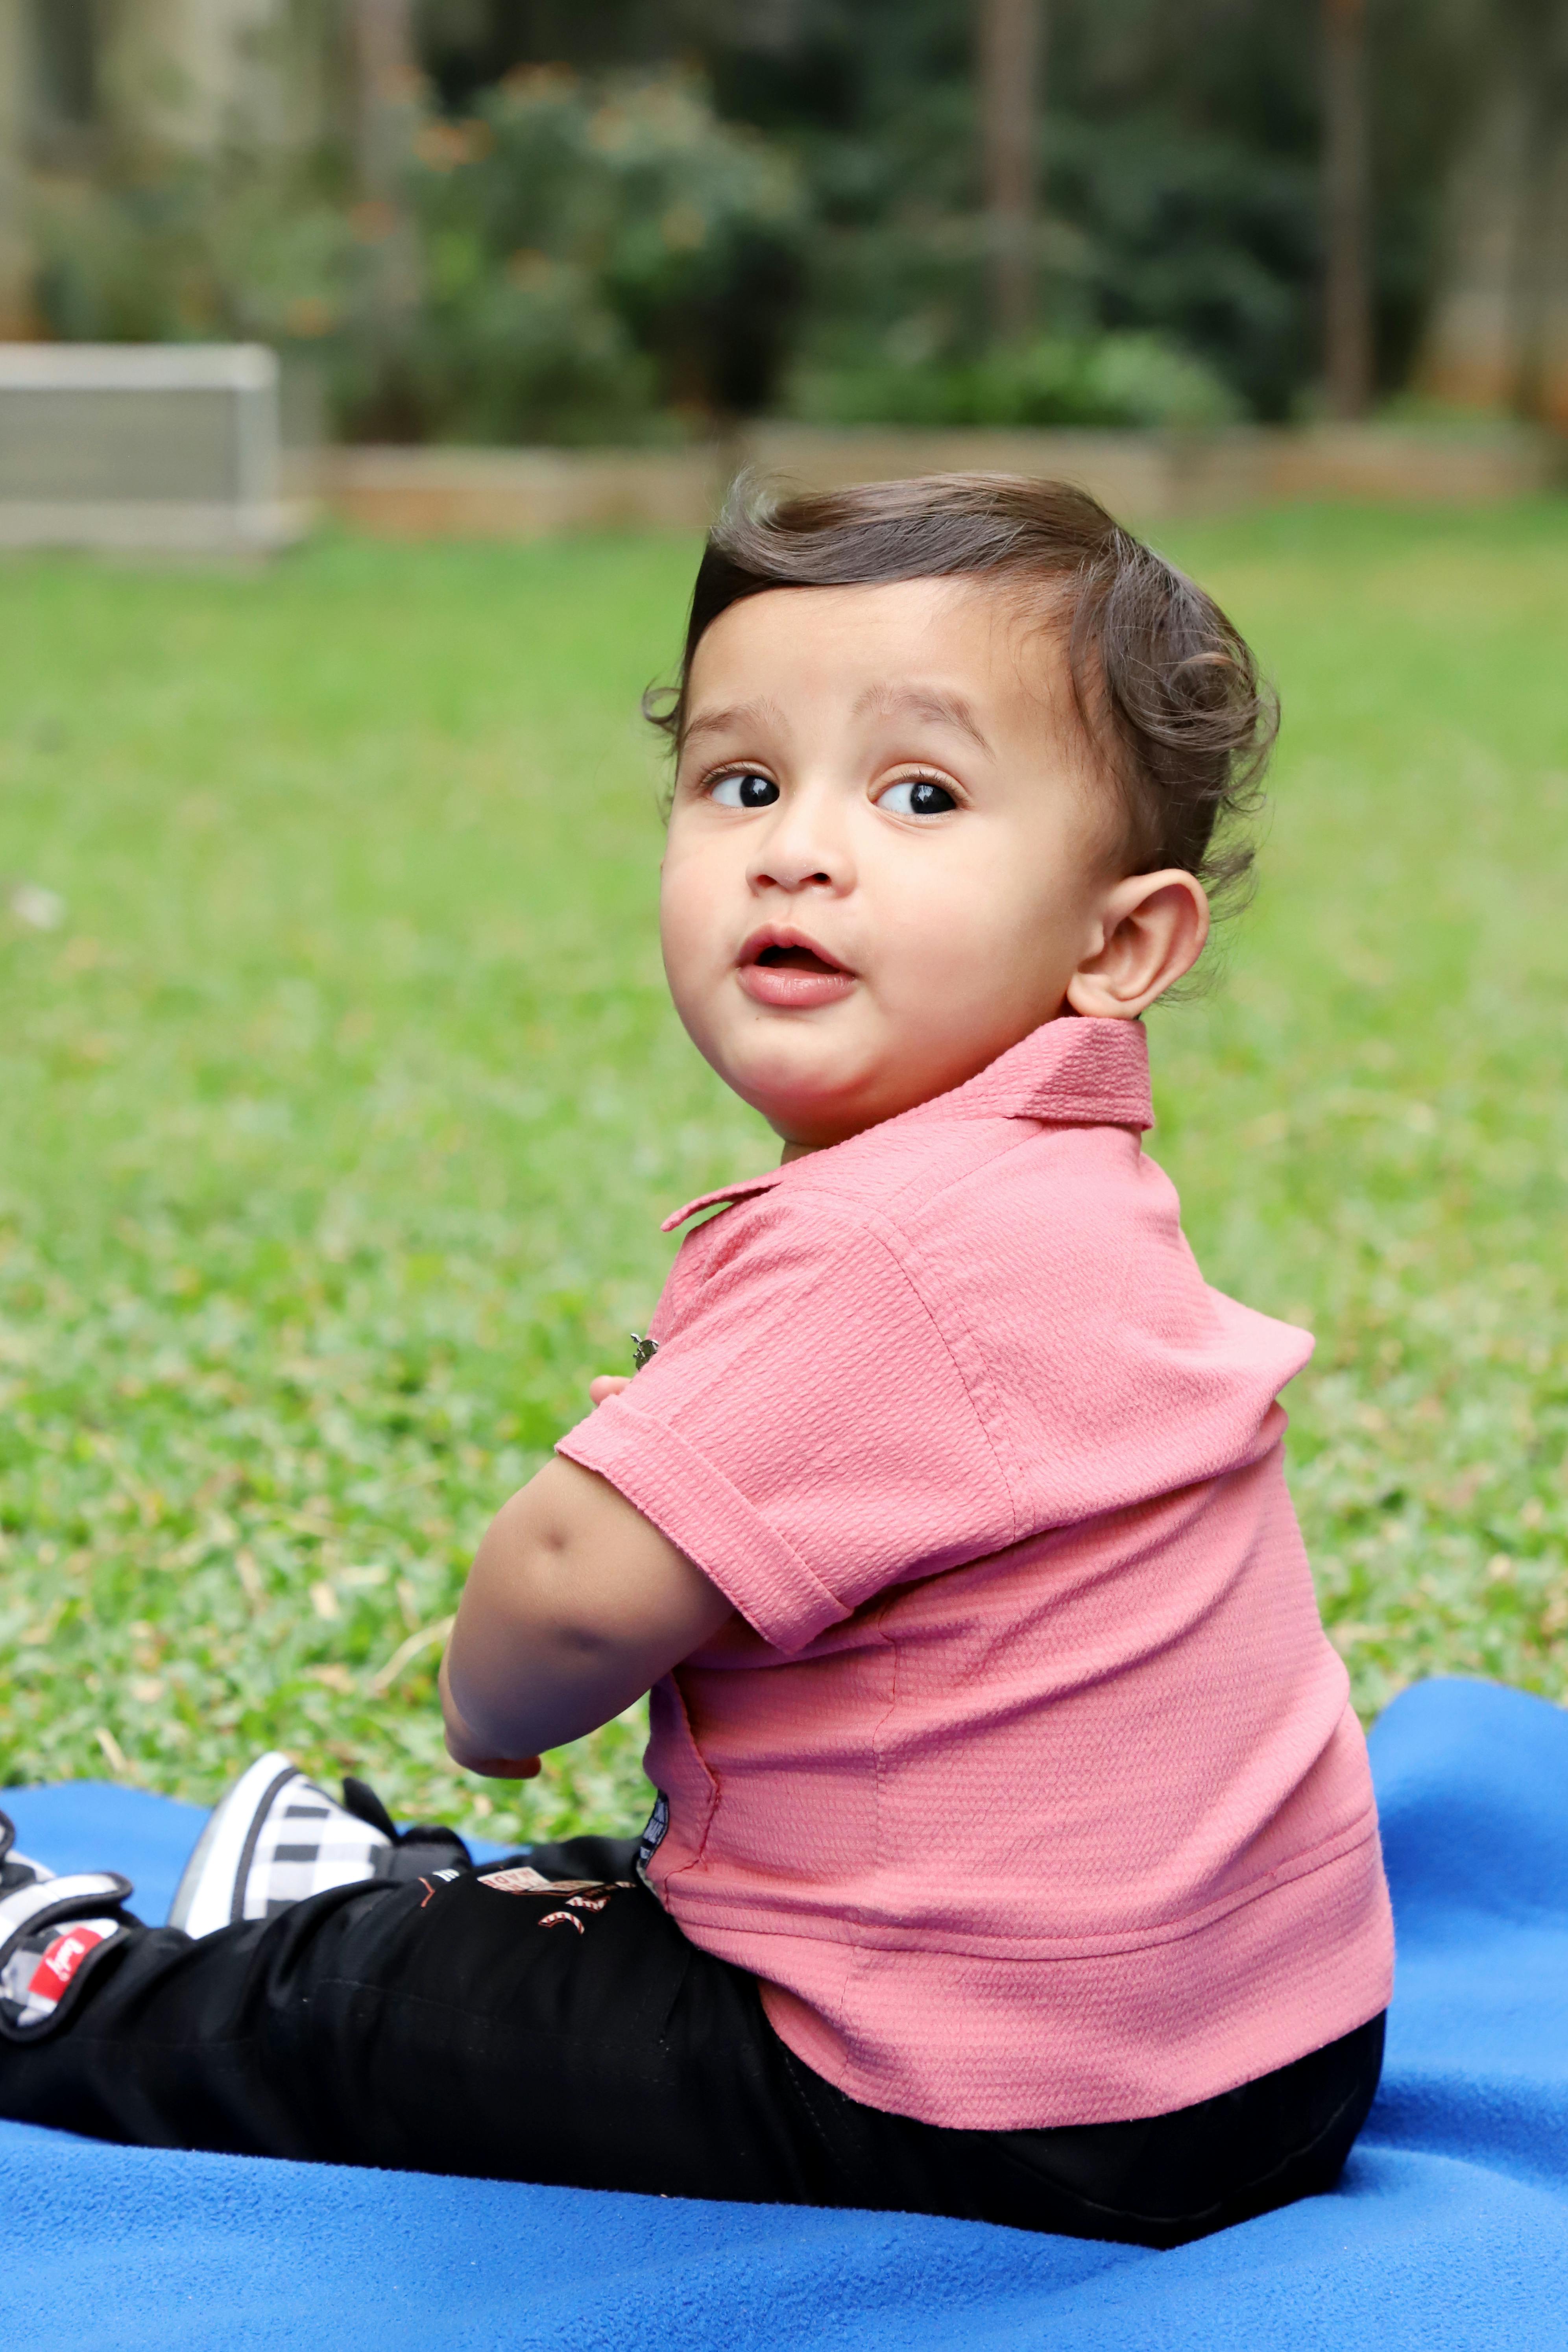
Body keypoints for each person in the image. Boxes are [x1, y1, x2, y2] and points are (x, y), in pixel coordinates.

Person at [0, 475, 1393, 2247]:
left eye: (917, 794)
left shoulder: (882, 1243)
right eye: (743, 782)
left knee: (373, 2016)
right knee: (631, 1916)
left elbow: (570, 1588)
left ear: (1118, 940)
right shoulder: (1073, 1189)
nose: (797, 849)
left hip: (976, 2096)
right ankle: (400, 1893)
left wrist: (488, 1711)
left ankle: (74, 1992)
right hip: (1263, 2056)